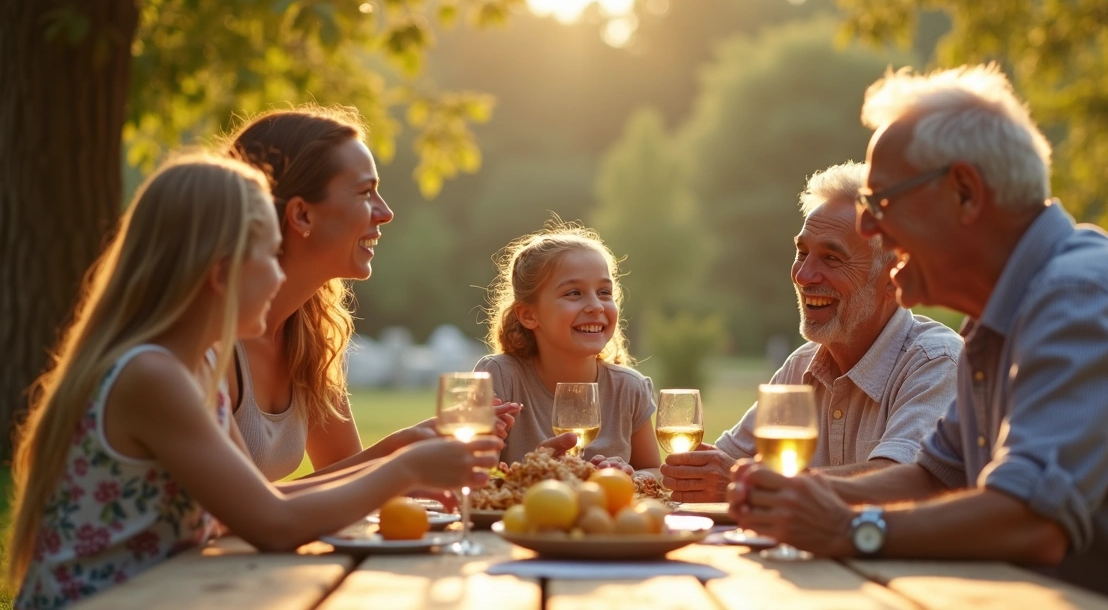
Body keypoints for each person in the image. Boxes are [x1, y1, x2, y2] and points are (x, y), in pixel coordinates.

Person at [729, 64, 1108, 609]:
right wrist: (799, 495)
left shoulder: (1082, 295)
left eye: (882, 203)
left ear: (964, 192)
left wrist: (851, 528)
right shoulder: (994, 320)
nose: (869, 229)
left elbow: (1031, 520)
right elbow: (935, 477)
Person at [6, 154, 501, 609]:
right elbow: (274, 526)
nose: (279, 277)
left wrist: (394, 459)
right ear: (222, 272)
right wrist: (405, 470)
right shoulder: (153, 376)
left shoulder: (197, 369)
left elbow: (263, 503)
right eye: (269, 256)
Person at [224, 105, 517, 481]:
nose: (386, 212)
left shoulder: (308, 334)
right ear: (302, 215)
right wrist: (400, 457)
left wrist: (409, 448)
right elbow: (242, 509)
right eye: (365, 193)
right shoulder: (211, 340)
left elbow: (343, 482)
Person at [661, 162, 961, 502]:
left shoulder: (937, 362)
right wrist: (637, 476)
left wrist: (743, 481)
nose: (803, 275)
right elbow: (722, 463)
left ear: (893, 279)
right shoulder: (800, 366)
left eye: (831, 258)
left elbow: (902, 483)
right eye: (802, 253)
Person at [475, 220, 661, 474]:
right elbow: (475, 475)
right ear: (529, 315)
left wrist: (630, 476)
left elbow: (653, 470)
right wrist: (533, 471)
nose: (596, 306)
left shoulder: (629, 388)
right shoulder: (500, 377)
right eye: (574, 293)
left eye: (604, 292)